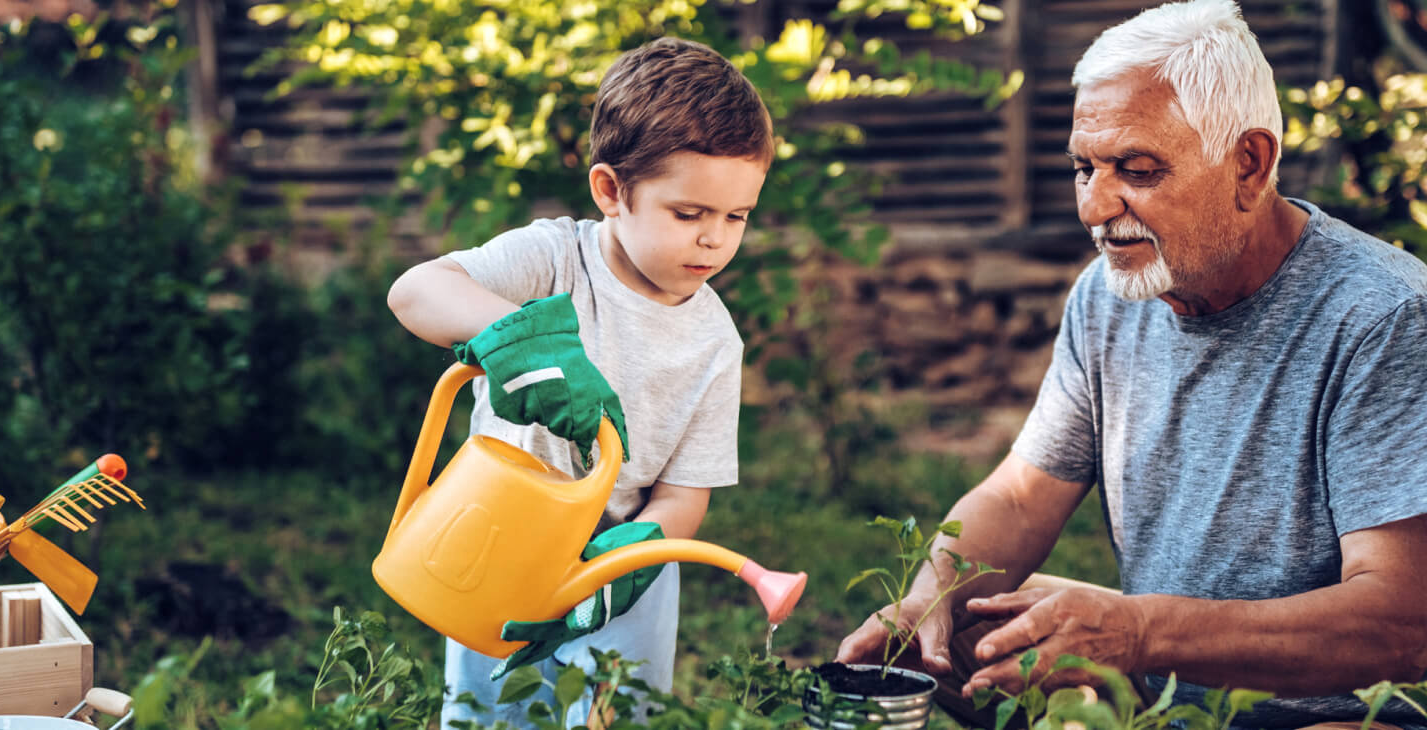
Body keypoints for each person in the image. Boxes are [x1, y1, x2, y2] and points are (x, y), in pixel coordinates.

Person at [835, 1, 1427, 728]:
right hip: (1162, 685)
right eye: (1084, 168)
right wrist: (930, 592)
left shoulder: (1383, 317)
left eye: (1137, 170)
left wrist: (1140, 631)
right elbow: (1022, 497)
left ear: (1250, 164)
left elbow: (1401, 624)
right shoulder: (1109, 296)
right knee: (965, 623)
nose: (1095, 205)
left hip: (1337, 713)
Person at [387, 36, 773, 727]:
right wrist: (521, 341)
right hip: (498, 542)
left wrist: (633, 557)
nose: (715, 239)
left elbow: (685, 495)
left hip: (622, 569)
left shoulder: (716, 343)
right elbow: (415, 293)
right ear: (611, 191)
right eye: (689, 214)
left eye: (736, 217)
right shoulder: (553, 260)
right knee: (488, 714)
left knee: (615, 716)